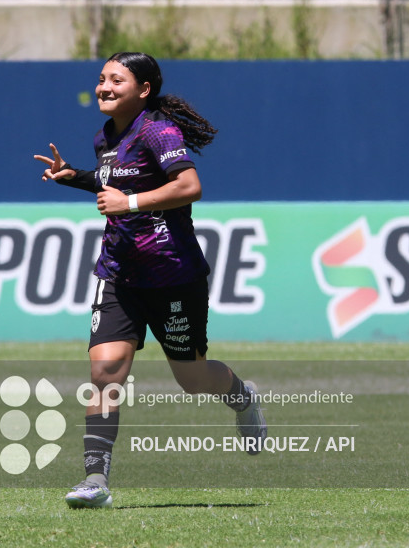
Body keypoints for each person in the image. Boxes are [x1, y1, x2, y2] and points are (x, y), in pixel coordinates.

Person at [33, 52, 266, 509]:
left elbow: (189, 186)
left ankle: (243, 395)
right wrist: (75, 177)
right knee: (105, 372)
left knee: (194, 378)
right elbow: (114, 183)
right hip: (119, 274)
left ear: (143, 89)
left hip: (174, 277)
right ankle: (94, 480)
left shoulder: (158, 130)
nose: (103, 86)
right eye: (101, 79)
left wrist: (132, 204)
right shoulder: (106, 136)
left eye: (115, 80)